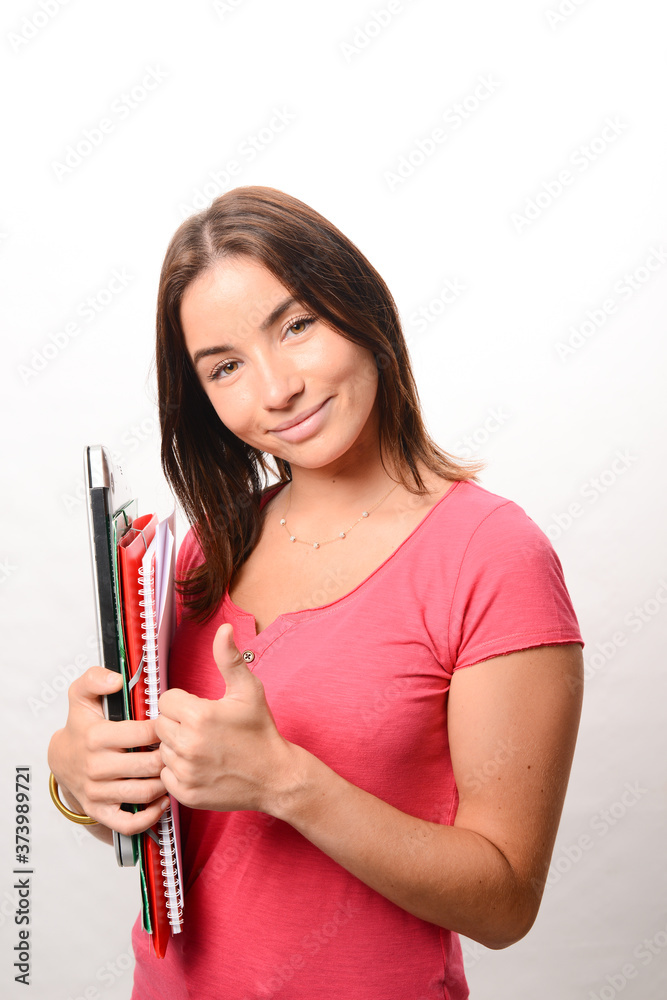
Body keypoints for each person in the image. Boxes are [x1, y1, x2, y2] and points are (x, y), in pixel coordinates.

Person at [48, 185, 585, 999]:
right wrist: (81, 781)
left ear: (359, 307)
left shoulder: (491, 556)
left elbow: (504, 901)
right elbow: (178, 825)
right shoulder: (202, 555)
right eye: (225, 367)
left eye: (296, 326)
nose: (276, 390)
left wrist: (285, 783)